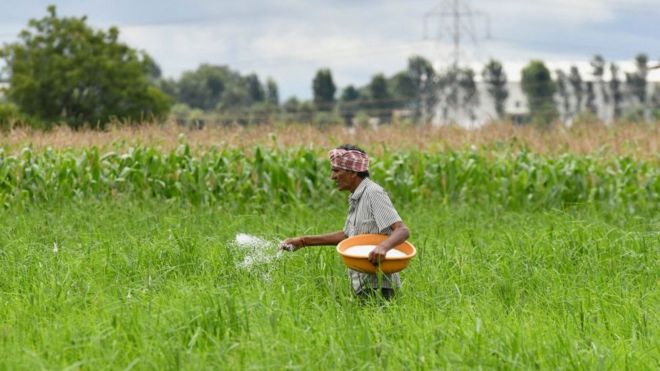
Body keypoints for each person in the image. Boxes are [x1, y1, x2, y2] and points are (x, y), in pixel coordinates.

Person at [279, 144, 410, 300]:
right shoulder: (356, 197)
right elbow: (349, 237)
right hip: (362, 284)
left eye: (336, 171)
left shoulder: (373, 193)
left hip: (380, 285)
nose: (332, 177)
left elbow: (402, 230)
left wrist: (383, 247)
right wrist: (303, 241)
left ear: (353, 172)